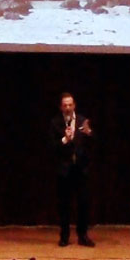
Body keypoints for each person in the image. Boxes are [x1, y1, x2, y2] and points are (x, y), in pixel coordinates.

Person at [49, 92, 95, 247]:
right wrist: (65, 140)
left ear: (74, 105)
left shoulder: (83, 121)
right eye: (65, 105)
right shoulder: (55, 123)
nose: (68, 108)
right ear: (61, 107)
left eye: (70, 105)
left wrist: (89, 134)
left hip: (81, 170)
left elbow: (92, 144)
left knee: (83, 203)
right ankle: (64, 236)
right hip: (64, 170)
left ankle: (83, 236)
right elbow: (51, 147)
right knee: (64, 205)